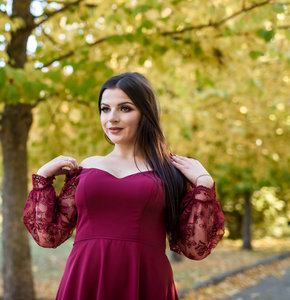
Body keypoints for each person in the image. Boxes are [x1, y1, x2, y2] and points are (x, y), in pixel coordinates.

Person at [23, 72, 225, 299]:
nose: (112, 118)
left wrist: (204, 183)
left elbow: (194, 247)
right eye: (105, 109)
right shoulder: (87, 168)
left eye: (125, 108)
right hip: (85, 276)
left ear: (145, 114)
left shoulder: (169, 173)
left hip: (145, 279)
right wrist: (43, 178)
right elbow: (48, 236)